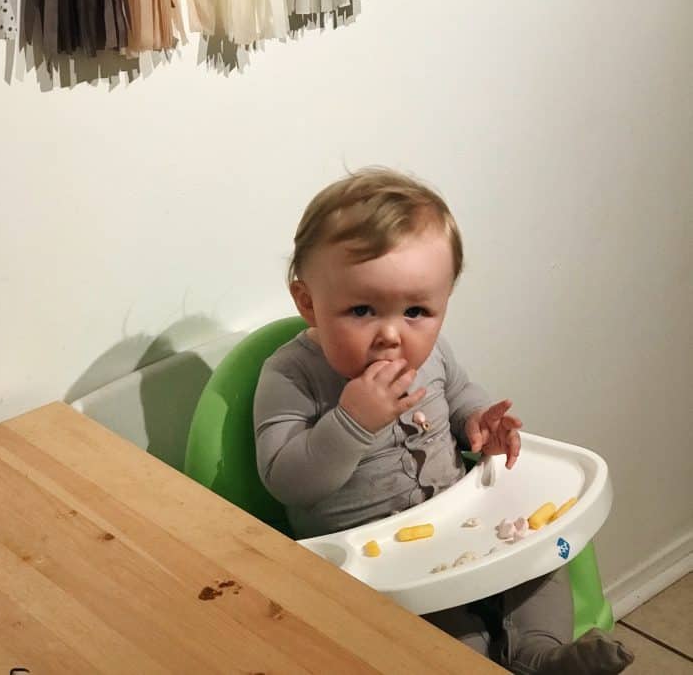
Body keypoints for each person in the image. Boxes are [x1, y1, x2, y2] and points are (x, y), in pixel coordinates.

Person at [254, 168, 633, 674]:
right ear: (308, 302)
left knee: (540, 565)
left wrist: (477, 420)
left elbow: (457, 394)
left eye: (416, 311)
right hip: (382, 566)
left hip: (463, 520)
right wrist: (350, 423)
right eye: (362, 309)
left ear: (443, 303)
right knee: (452, 637)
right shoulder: (290, 375)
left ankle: (542, 655)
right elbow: (286, 481)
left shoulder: (432, 357)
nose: (392, 334)